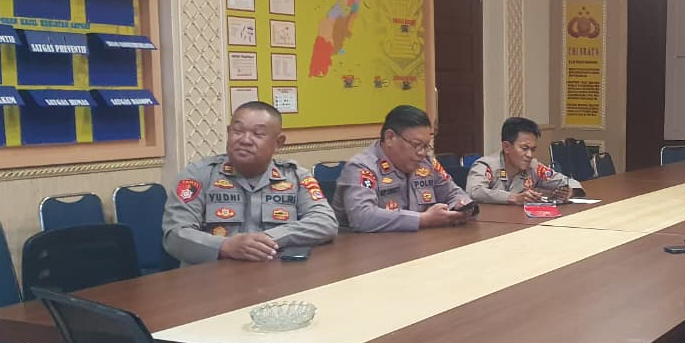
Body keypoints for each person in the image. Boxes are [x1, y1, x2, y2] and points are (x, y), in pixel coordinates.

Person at [162, 101, 338, 265]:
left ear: (278, 143)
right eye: (237, 131)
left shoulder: (295, 177)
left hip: (275, 275)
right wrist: (225, 246)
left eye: (258, 134)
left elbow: (325, 222)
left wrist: (266, 239)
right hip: (211, 277)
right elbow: (175, 235)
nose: (245, 140)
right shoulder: (198, 175)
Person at [333, 105, 473, 232]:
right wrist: (422, 219)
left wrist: (459, 207)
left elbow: (454, 193)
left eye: (426, 146)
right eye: (416, 145)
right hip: (367, 248)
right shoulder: (361, 168)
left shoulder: (427, 163)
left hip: (418, 243)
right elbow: (363, 217)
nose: (422, 153)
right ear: (390, 138)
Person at [466, 117, 571, 205]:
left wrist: (568, 191)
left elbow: (566, 181)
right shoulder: (486, 165)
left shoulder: (533, 166)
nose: (529, 155)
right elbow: (474, 192)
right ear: (506, 147)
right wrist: (514, 198)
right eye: (524, 148)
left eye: (533, 149)